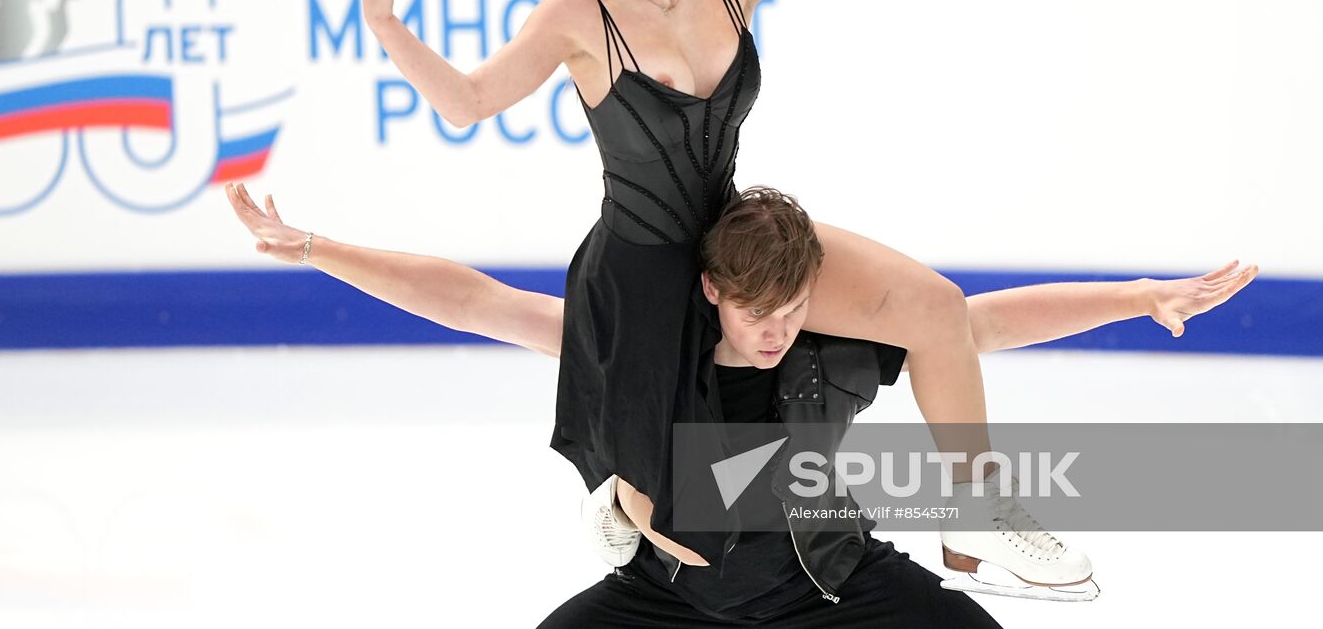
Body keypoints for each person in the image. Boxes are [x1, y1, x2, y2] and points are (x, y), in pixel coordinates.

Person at [224, 180, 1258, 616]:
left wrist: (1135, 296)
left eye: (793, 309)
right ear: (712, 287)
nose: (773, 332)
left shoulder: (828, 348)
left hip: (828, 583)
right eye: (755, 312)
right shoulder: (648, 352)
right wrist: (313, 247)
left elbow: (975, 323)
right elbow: (479, 301)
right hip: (669, 595)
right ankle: (622, 513)